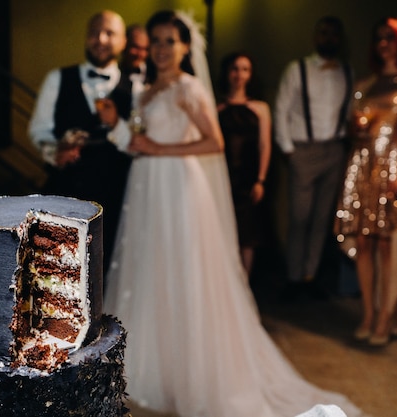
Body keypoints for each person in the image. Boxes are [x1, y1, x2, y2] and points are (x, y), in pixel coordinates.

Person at [104, 10, 363, 417]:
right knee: (150, 267)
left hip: (177, 187)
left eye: (170, 41)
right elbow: (139, 141)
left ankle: (191, 370)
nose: (160, 49)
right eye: (155, 41)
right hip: (147, 186)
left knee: (183, 271)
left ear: (186, 47)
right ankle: (151, 366)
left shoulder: (189, 88)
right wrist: (123, 131)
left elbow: (214, 143)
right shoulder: (149, 88)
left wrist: (160, 150)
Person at [28, 10, 135, 275]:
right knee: (61, 268)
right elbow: (38, 130)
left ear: (123, 42)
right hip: (66, 190)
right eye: (94, 32)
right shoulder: (57, 78)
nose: (100, 39)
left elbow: (137, 143)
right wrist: (55, 153)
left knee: (109, 270)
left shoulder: (137, 88)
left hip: (116, 196)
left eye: (109, 33)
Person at [334, 17, 397, 346]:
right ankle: (368, 312)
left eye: (389, 37)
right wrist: (356, 128)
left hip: (393, 167)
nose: (383, 43)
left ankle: (386, 315)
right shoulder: (364, 84)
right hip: (363, 166)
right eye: (378, 37)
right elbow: (351, 128)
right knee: (363, 241)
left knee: (388, 244)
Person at [274, 16, 353, 298]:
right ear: (315, 36)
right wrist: (288, 150)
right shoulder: (298, 70)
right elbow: (281, 109)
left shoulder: (347, 71)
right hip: (303, 151)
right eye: (323, 32)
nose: (328, 37)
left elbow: (349, 111)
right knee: (299, 218)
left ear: (338, 38)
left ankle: (310, 276)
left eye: (333, 33)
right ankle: (294, 277)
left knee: (322, 219)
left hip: (334, 150)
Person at [217, 52, 271, 278]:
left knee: (248, 234)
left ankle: (245, 284)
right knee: (223, 232)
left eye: (245, 69)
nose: (239, 74)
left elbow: (264, 145)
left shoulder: (259, 108)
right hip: (224, 178)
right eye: (235, 69)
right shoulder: (217, 108)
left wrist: (260, 179)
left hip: (248, 179)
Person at [120, 23, 149, 94]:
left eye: (145, 49)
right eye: (135, 47)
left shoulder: (154, 76)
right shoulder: (114, 75)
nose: (140, 54)